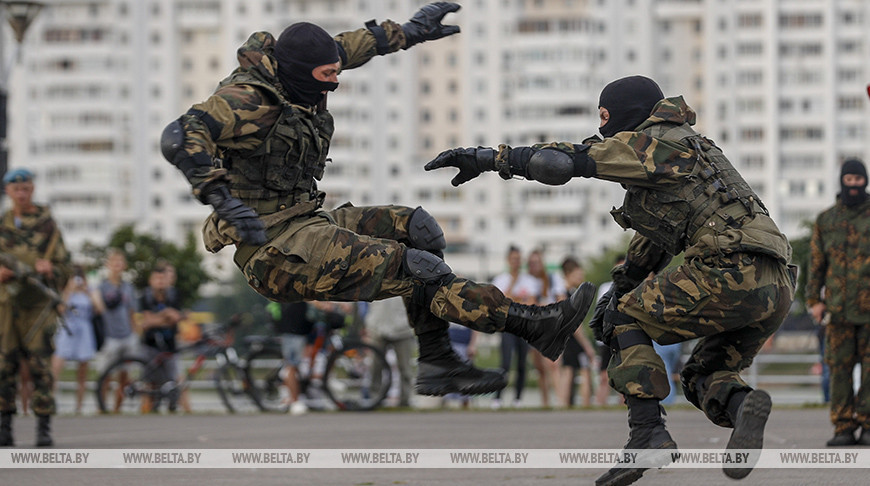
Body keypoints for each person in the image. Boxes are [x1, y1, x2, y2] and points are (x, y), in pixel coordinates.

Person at [160, 2, 595, 399]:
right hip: (273, 252)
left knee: (417, 229)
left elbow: (353, 45)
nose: (335, 84)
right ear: (297, 73)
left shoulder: (302, 67)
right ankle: (528, 323)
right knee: (413, 267)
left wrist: (408, 31)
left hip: (307, 219)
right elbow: (180, 135)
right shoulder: (246, 100)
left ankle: (437, 359)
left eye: (335, 73)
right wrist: (218, 195)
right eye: (327, 77)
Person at [425, 75, 796, 484]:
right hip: (775, 282)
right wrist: (622, 283)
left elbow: (564, 161)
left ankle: (648, 435)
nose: (602, 127)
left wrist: (486, 159)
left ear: (622, 115)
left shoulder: (652, 143)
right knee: (703, 374)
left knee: (625, 319)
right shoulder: (697, 150)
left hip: (728, 268)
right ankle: (744, 406)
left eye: (604, 117)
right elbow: (654, 241)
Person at [0, 167, 71, 447]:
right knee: (4, 366)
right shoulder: (2, 224)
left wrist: (50, 268)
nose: (21, 193)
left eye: (26, 188)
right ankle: (4, 427)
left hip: (38, 307)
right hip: (6, 305)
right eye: (15, 188)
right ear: (7, 191)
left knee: (40, 365)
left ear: (32, 190)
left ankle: (43, 429)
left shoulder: (47, 225)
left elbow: (66, 267)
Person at [806, 158, 870, 447]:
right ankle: (843, 426)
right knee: (839, 370)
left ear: (865, 181)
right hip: (838, 310)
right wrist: (813, 300)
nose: (854, 186)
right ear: (842, 181)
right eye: (850, 180)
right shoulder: (826, 220)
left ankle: (869, 425)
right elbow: (816, 264)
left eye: (858, 180)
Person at [490, 245, 538, 409]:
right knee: (505, 363)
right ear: (508, 260)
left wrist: (513, 299)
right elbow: (501, 303)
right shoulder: (500, 280)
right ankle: (497, 398)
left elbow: (530, 303)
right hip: (507, 327)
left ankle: (518, 398)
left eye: (518, 259)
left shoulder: (529, 280)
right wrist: (513, 284)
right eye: (513, 259)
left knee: (522, 364)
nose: (516, 262)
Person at [51, 267, 103, 414]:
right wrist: (69, 290)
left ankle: (78, 407)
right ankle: (51, 403)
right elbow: (60, 309)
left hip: (85, 331)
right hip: (68, 329)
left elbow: (99, 309)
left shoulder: (91, 290)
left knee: (82, 373)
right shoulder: (67, 290)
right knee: (55, 368)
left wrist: (88, 291)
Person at [139, 263, 186, 413]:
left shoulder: (174, 294)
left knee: (175, 379)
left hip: (169, 345)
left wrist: (155, 319)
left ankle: (178, 410)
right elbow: (146, 323)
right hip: (150, 344)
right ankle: (147, 411)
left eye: (162, 278)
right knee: (149, 382)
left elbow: (175, 318)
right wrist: (165, 314)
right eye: (156, 278)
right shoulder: (145, 296)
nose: (160, 282)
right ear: (151, 280)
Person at [96, 249, 140, 413]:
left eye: (120, 262)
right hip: (109, 337)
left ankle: (117, 409)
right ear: (108, 265)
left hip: (127, 336)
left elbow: (132, 312)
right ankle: (101, 408)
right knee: (105, 375)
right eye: (113, 262)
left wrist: (135, 334)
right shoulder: (101, 287)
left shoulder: (128, 288)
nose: (117, 265)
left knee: (124, 375)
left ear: (124, 265)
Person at [527, 249, 566, 408]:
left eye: (537, 262)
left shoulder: (552, 279)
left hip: (551, 326)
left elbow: (561, 301)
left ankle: (560, 401)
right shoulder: (527, 280)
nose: (534, 265)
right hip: (534, 328)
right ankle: (545, 402)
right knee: (540, 368)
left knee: (554, 365)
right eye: (531, 263)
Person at [557, 257, 598, 408]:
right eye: (578, 275)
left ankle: (563, 405)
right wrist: (587, 346)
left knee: (568, 370)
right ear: (568, 273)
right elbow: (575, 323)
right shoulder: (567, 295)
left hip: (564, 337)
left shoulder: (562, 292)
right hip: (573, 338)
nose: (581, 278)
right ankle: (585, 405)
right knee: (584, 370)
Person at [366, 296, 416, 408]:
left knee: (405, 367)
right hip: (377, 327)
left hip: (403, 329)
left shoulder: (409, 279)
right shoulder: (375, 278)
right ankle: (374, 399)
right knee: (375, 365)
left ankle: (405, 400)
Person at [267, 301, 314, 415]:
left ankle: (289, 397)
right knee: (292, 366)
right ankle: (295, 401)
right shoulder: (295, 292)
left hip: (296, 330)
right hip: (293, 330)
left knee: (294, 366)